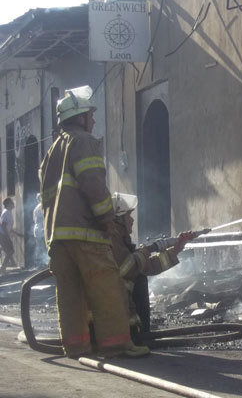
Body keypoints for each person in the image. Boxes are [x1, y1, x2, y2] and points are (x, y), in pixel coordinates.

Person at [39, 85, 148, 358]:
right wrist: (107, 218)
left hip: (58, 238)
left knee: (70, 294)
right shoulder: (83, 141)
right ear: (79, 118)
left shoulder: (53, 150)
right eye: (91, 114)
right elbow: (92, 183)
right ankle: (116, 344)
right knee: (106, 286)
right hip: (85, 232)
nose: (94, 120)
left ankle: (76, 346)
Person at [110, 192, 195, 340]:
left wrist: (177, 248)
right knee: (140, 279)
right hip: (112, 305)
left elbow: (149, 266)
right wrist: (146, 251)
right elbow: (127, 269)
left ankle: (140, 334)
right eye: (129, 215)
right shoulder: (113, 239)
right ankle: (137, 335)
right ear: (119, 219)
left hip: (118, 303)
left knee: (141, 276)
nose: (132, 220)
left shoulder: (121, 240)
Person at [0, 197, 24, 274]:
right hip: (3, 235)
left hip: (4, 234)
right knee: (10, 251)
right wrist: (7, 236)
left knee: (9, 250)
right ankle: (3, 267)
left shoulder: (8, 212)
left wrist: (17, 234)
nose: (13, 204)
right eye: (11, 203)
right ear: (8, 204)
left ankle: (9, 264)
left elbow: (8, 227)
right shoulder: (6, 212)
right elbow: (3, 225)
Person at [32, 193, 46, 269]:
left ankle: (38, 264)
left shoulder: (36, 208)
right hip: (41, 230)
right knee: (43, 247)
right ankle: (42, 264)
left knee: (39, 247)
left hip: (37, 229)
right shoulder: (42, 206)